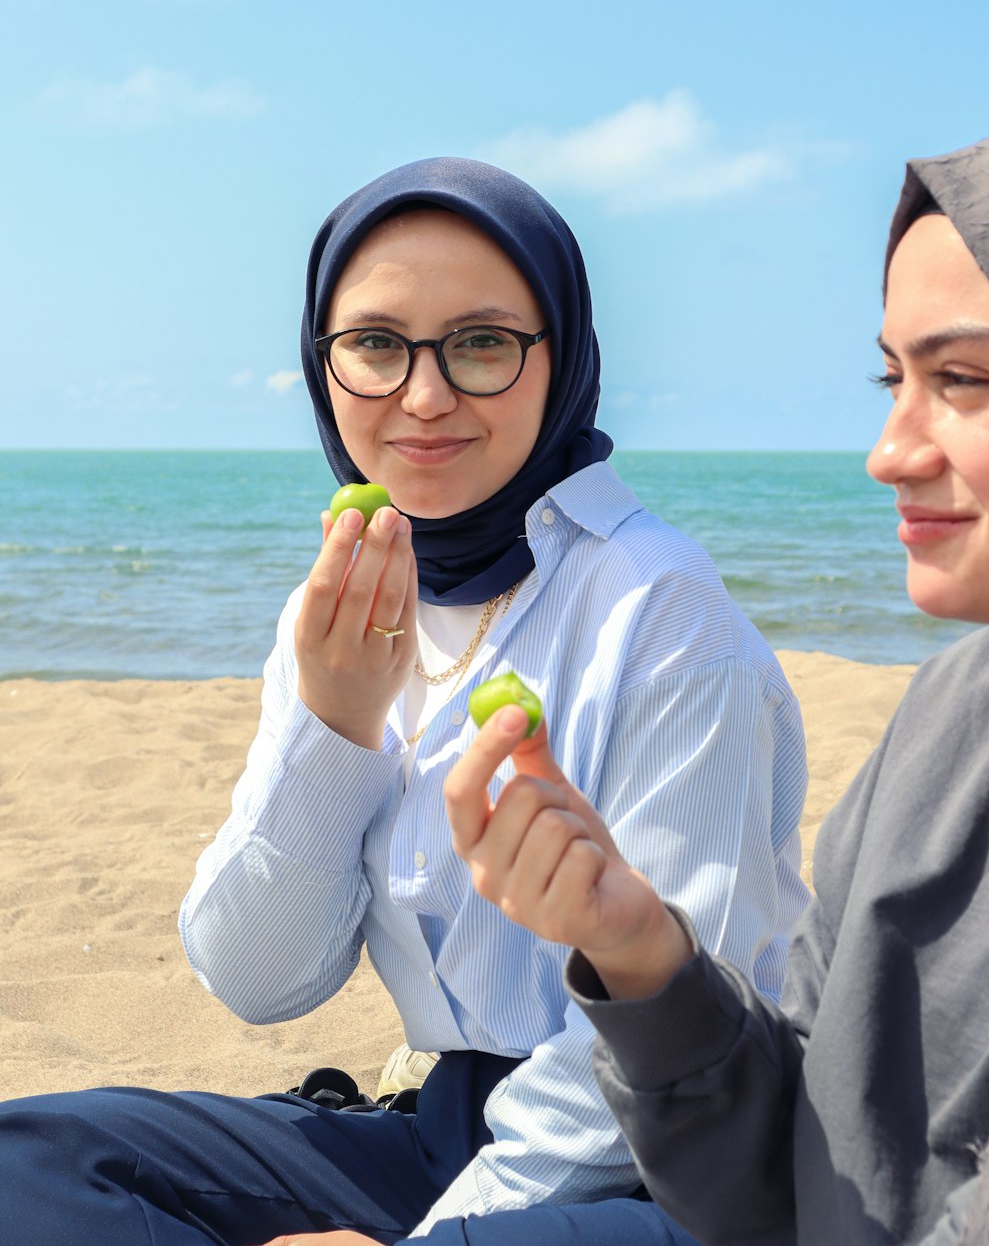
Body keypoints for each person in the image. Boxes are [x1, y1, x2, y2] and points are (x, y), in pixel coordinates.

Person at [0, 157, 810, 1245]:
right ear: (322, 363)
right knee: (33, 1164)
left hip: (672, 1164)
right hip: (443, 1131)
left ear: (558, 358)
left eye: (481, 344)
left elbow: (655, 1055)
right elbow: (258, 980)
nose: (422, 396)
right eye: (376, 346)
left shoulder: (658, 609)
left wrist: (425, 1243)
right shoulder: (345, 605)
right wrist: (333, 725)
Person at [444, 132, 989, 1246]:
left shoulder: (667, 604)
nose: (887, 451)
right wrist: (640, 952)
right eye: (892, 379)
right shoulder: (944, 719)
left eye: (966, 381)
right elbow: (788, 1192)